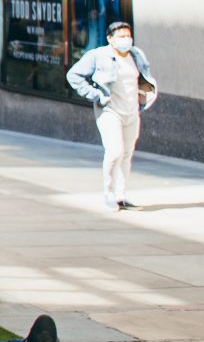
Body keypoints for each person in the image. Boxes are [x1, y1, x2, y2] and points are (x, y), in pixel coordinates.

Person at [67, 21, 158, 211]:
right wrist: (95, 95)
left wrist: (146, 94)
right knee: (115, 151)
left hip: (132, 111)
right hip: (109, 110)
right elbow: (73, 75)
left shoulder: (136, 55)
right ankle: (108, 193)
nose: (126, 40)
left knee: (126, 154)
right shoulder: (98, 56)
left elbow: (143, 78)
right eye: (121, 36)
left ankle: (121, 195)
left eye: (128, 36)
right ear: (110, 39)